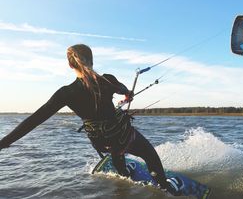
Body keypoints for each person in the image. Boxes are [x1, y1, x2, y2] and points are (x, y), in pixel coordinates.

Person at [0, 44, 177, 194]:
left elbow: (34, 120)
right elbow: (122, 88)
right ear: (92, 60)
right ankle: (165, 187)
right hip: (121, 135)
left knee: (114, 148)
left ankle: (123, 174)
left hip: (99, 142)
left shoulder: (65, 93)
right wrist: (127, 93)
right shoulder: (107, 79)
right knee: (149, 154)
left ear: (70, 65)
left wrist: (4, 142)